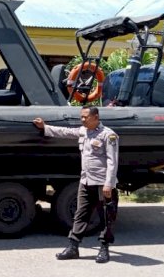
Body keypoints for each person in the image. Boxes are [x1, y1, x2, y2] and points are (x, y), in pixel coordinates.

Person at [33, 106, 119, 263]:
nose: (83, 119)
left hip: (102, 183)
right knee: (80, 214)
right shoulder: (83, 131)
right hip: (85, 181)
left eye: (85, 117)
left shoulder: (109, 135)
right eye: (82, 117)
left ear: (96, 117)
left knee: (105, 216)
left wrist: (109, 184)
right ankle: (73, 247)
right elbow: (65, 132)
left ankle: (104, 248)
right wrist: (45, 127)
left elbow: (112, 162)